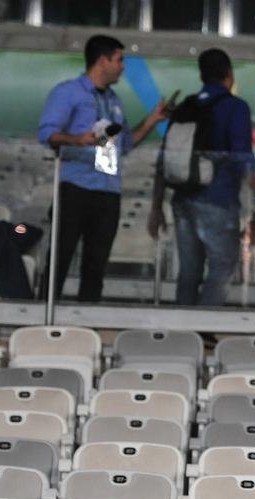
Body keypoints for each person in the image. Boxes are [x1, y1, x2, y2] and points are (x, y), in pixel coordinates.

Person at [37, 34, 167, 302]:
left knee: (96, 265)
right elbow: (47, 133)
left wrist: (153, 119)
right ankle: (42, 319)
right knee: (60, 258)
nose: (123, 67)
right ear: (102, 61)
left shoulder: (113, 100)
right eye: (119, 60)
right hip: (76, 186)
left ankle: (86, 322)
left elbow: (126, 143)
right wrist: (78, 139)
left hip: (108, 190)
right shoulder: (68, 92)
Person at [147, 48, 255, 307]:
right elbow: (243, 157)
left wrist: (156, 207)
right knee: (224, 266)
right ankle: (203, 328)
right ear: (229, 75)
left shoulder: (185, 106)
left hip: (181, 201)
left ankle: (184, 333)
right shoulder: (235, 107)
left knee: (189, 272)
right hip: (217, 200)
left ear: (202, 76)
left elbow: (163, 160)